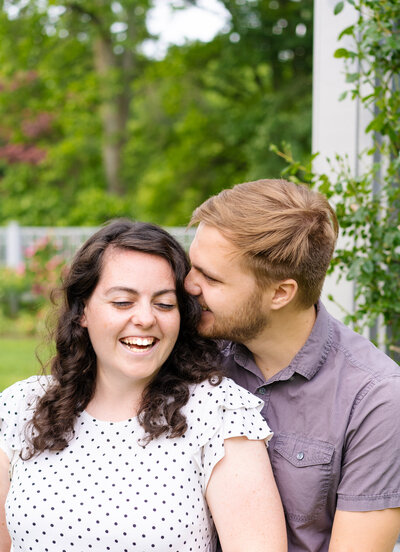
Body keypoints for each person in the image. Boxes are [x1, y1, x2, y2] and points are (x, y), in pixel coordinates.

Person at [0, 219, 287, 552]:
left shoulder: (219, 414)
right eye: (123, 302)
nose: (146, 318)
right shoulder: (19, 407)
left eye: (164, 304)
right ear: (83, 311)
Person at [184, 179, 400, 552]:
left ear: (280, 293)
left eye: (211, 278)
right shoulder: (191, 352)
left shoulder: (376, 400)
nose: (188, 284)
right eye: (192, 266)